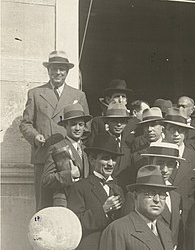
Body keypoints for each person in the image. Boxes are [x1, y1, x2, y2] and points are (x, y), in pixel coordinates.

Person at [19, 50, 89, 209]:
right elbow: (25, 124)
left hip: (71, 158)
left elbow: (87, 128)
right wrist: (35, 136)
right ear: (48, 70)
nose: (58, 72)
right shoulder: (35, 94)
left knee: (72, 203)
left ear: (67, 71)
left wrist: (76, 147)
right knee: (44, 204)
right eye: (54, 68)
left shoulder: (78, 95)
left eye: (61, 69)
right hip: (44, 156)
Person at [67, 133, 124, 250]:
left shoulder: (118, 189)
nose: (110, 164)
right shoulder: (80, 187)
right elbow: (74, 224)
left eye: (113, 159)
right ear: (92, 160)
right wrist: (103, 210)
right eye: (105, 159)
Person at [41, 104, 91, 208]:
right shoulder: (56, 148)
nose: (77, 128)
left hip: (84, 201)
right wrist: (69, 174)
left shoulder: (86, 150)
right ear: (65, 125)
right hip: (65, 201)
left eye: (80, 124)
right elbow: (45, 180)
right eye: (73, 124)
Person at [87, 79, 134, 145]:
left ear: (126, 101)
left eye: (123, 97)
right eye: (117, 96)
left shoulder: (133, 121)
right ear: (108, 100)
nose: (121, 100)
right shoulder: (98, 121)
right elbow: (91, 145)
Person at [102, 102, 132, 187]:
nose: (119, 124)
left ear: (126, 123)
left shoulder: (129, 144)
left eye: (122, 121)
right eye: (115, 121)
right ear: (107, 122)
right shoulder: (100, 142)